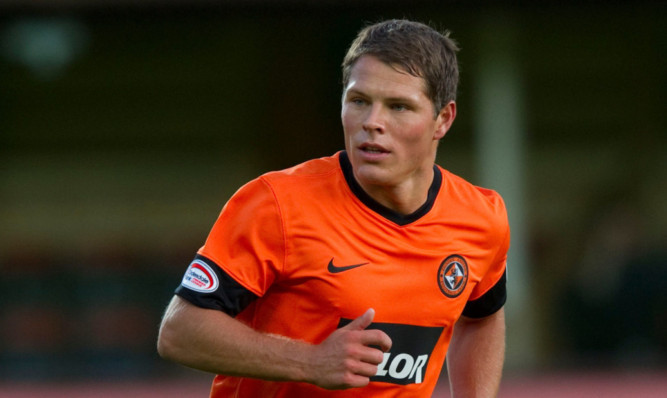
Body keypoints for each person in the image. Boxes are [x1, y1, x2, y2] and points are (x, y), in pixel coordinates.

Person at [157, 18, 509, 397]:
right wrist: (310, 362)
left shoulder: (481, 218)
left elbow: (482, 318)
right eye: (359, 101)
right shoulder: (276, 204)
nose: (372, 123)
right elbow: (180, 331)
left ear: (443, 119)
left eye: (398, 107)